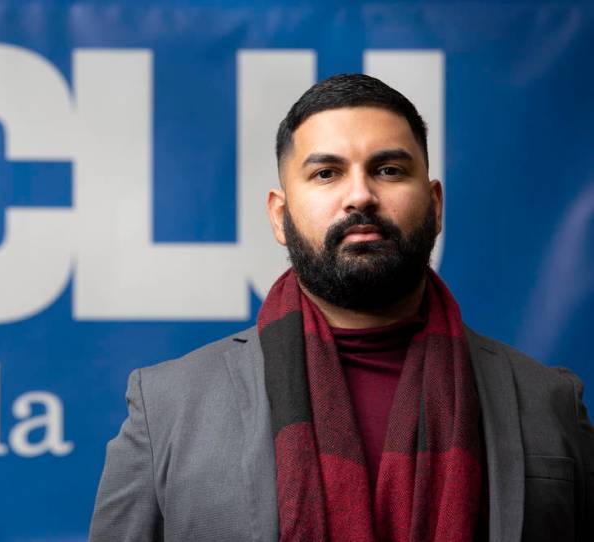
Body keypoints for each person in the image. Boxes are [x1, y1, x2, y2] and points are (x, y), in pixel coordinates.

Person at [88, 74, 594, 542]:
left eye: (389, 170)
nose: (361, 196)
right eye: (327, 173)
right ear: (281, 217)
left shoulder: (549, 403)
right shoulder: (169, 406)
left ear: (435, 205)